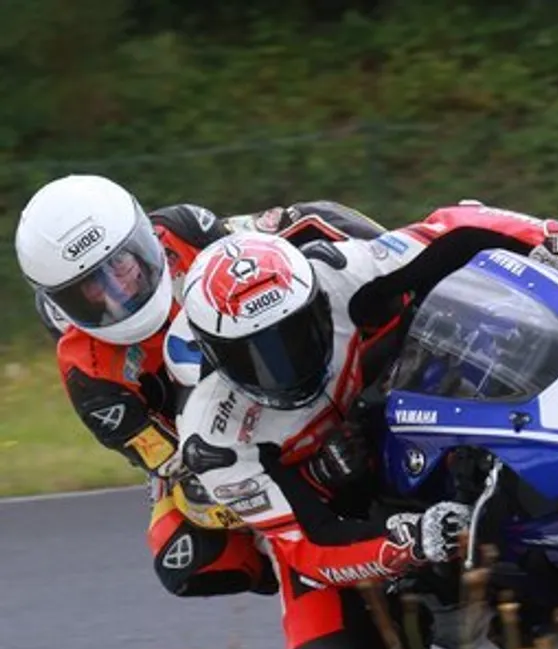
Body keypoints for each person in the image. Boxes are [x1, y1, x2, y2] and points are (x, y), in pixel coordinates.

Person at [172, 203, 558, 649]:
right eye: (255, 355)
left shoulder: (338, 273)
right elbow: (310, 543)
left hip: (416, 413)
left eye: (295, 334)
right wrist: (406, 542)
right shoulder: (217, 441)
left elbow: (451, 231)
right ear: (214, 355)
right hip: (346, 512)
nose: (286, 365)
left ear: (315, 301)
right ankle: (455, 616)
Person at [15, 173, 387, 601]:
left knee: (314, 218)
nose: (119, 290)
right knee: (187, 553)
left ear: (143, 236)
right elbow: (186, 470)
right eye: (92, 286)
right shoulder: (90, 380)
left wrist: (380, 250)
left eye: (120, 264)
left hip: (292, 355)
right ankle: (306, 568)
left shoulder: (185, 228)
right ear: (64, 303)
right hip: (226, 430)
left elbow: (275, 235)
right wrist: (314, 472)